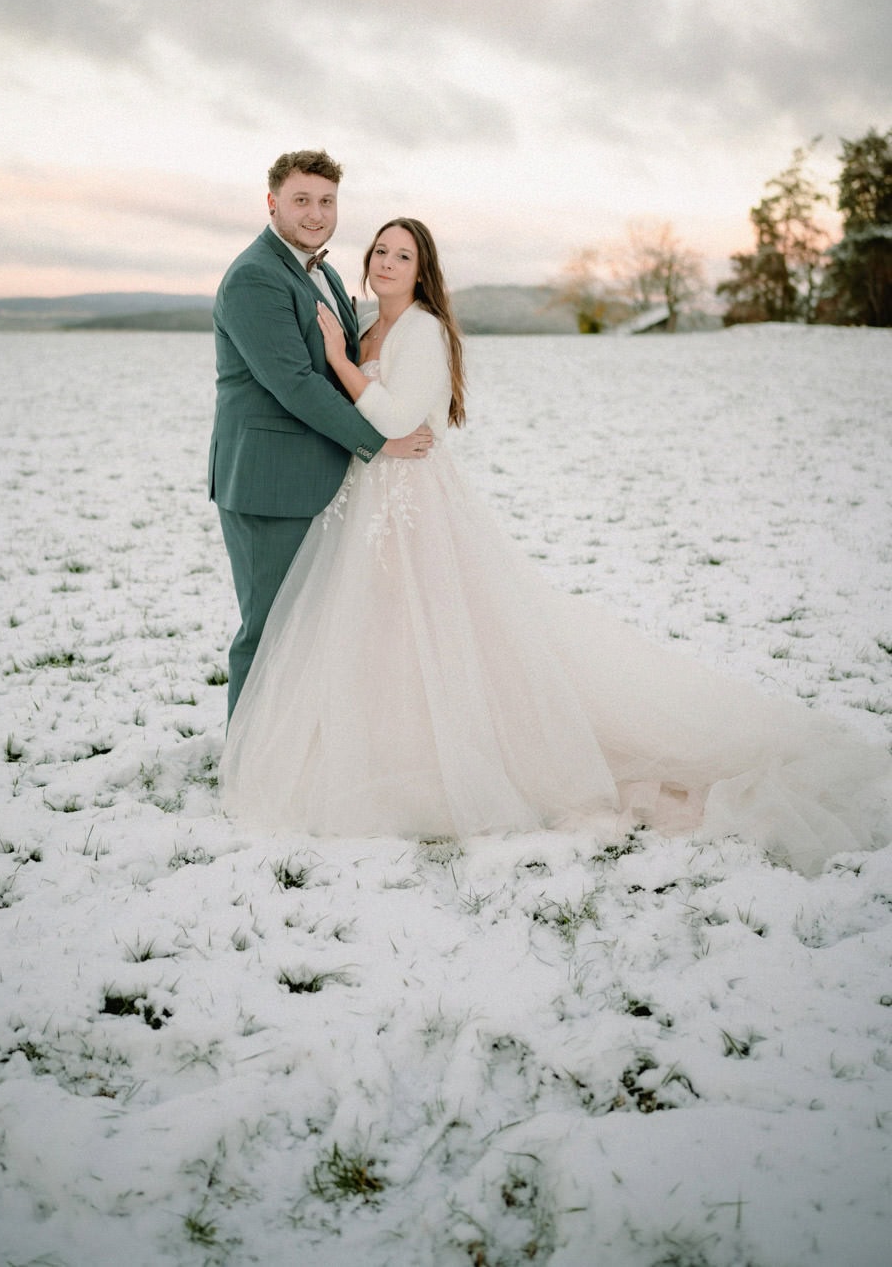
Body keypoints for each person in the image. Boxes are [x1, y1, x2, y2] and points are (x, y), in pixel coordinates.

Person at [220, 217, 892, 875]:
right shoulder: (373, 325)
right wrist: (350, 356)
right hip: (368, 496)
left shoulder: (423, 330)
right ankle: (379, 748)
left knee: (428, 628)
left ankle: (454, 759)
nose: (388, 263)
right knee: (381, 633)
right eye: (382, 251)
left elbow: (397, 419)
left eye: (404, 255)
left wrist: (338, 360)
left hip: (412, 503)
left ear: (424, 271)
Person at [209, 153, 432, 715]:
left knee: (310, 631)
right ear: (272, 204)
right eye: (301, 200)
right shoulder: (255, 276)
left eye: (326, 201)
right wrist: (378, 445)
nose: (315, 214)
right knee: (269, 630)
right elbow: (296, 383)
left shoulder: (324, 271)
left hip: (321, 480)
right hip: (269, 482)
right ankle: (245, 769)